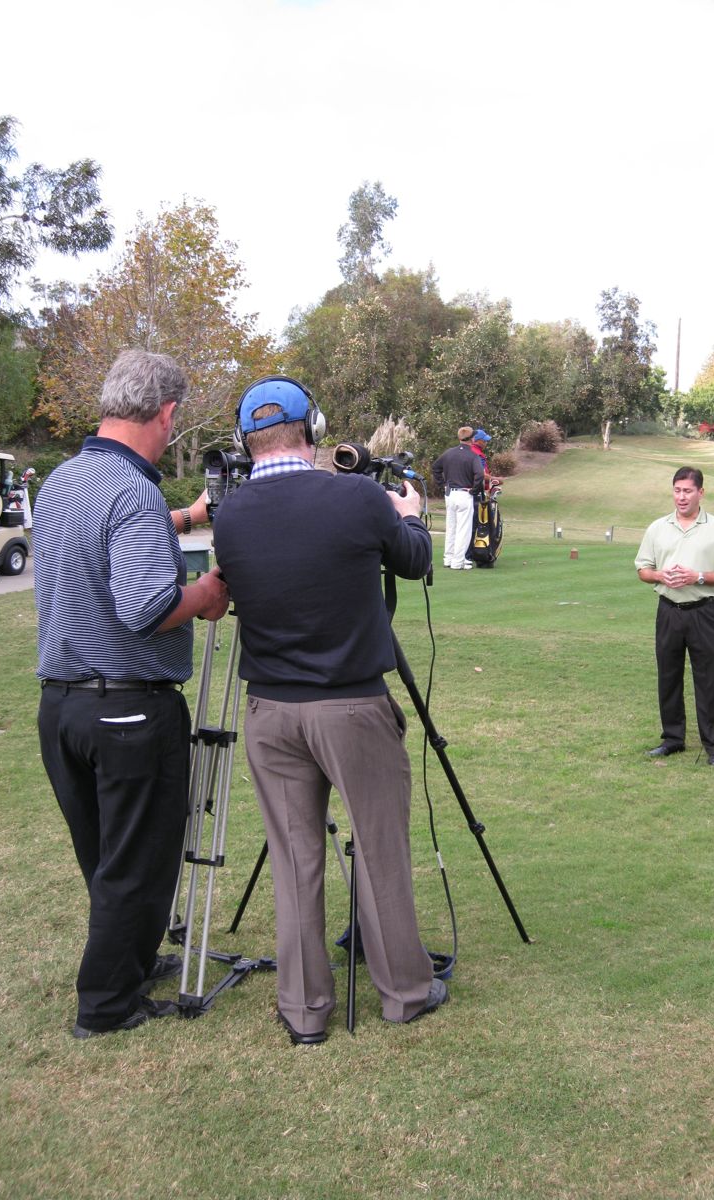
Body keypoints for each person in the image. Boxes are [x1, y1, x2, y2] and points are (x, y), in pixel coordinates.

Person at [212, 375, 446, 1045]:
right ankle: (403, 991)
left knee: (294, 863)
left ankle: (304, 1011)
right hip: (350, 706)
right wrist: (406, 513)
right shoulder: (358, 498)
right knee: (379, 852)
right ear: (311, 428)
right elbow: (414, 562)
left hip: (270, 712)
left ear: (245, 440)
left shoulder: (229, 514)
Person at [33, 349, 229, 1038]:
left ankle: (130, 960)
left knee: (105, 856)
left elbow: (100, 538)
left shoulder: (63, 480)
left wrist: (184, 517)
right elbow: (147, 604)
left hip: (62, 706)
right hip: (128, 707)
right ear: (167, 413)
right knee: (138, 863)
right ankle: (107, 1005)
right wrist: (206, 593)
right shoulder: (134, 491)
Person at [635, 467, 714, 768]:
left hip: (702, 612)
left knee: (709, 680)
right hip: (668, 610)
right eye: (677, 490)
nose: (681, 497)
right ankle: (672, 739)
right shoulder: (657, 528)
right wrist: (659, 575)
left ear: (700, 493)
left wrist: (698, 576)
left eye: (688, 491)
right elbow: (643, 570)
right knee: (668, 677)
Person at [431, 426, 484, 570]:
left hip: (450, 494)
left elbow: (435, 468)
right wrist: (474, 490)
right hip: (464, 494)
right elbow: (479, 475)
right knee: (463, 529)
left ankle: (448, 558)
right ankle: (457, 561)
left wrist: (442, 485)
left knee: (451, 527)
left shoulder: (448, 453)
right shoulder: (473, 456)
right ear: (472, 439)